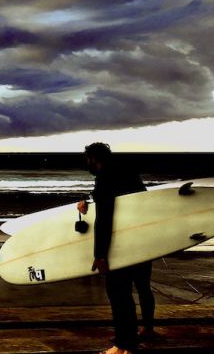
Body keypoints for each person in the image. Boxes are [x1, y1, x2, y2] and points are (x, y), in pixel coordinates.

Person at [76, 142, 147, 354]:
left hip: (119, 245)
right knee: (126, 295)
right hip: (139, 241)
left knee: (118, 295)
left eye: (87, 159)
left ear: (94, 159)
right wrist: (89, 199)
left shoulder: (106, 178)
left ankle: (121, 345)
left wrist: (100, 255)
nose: (86, 163)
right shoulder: (128, 174)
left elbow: (104, 219)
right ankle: (128, 345)